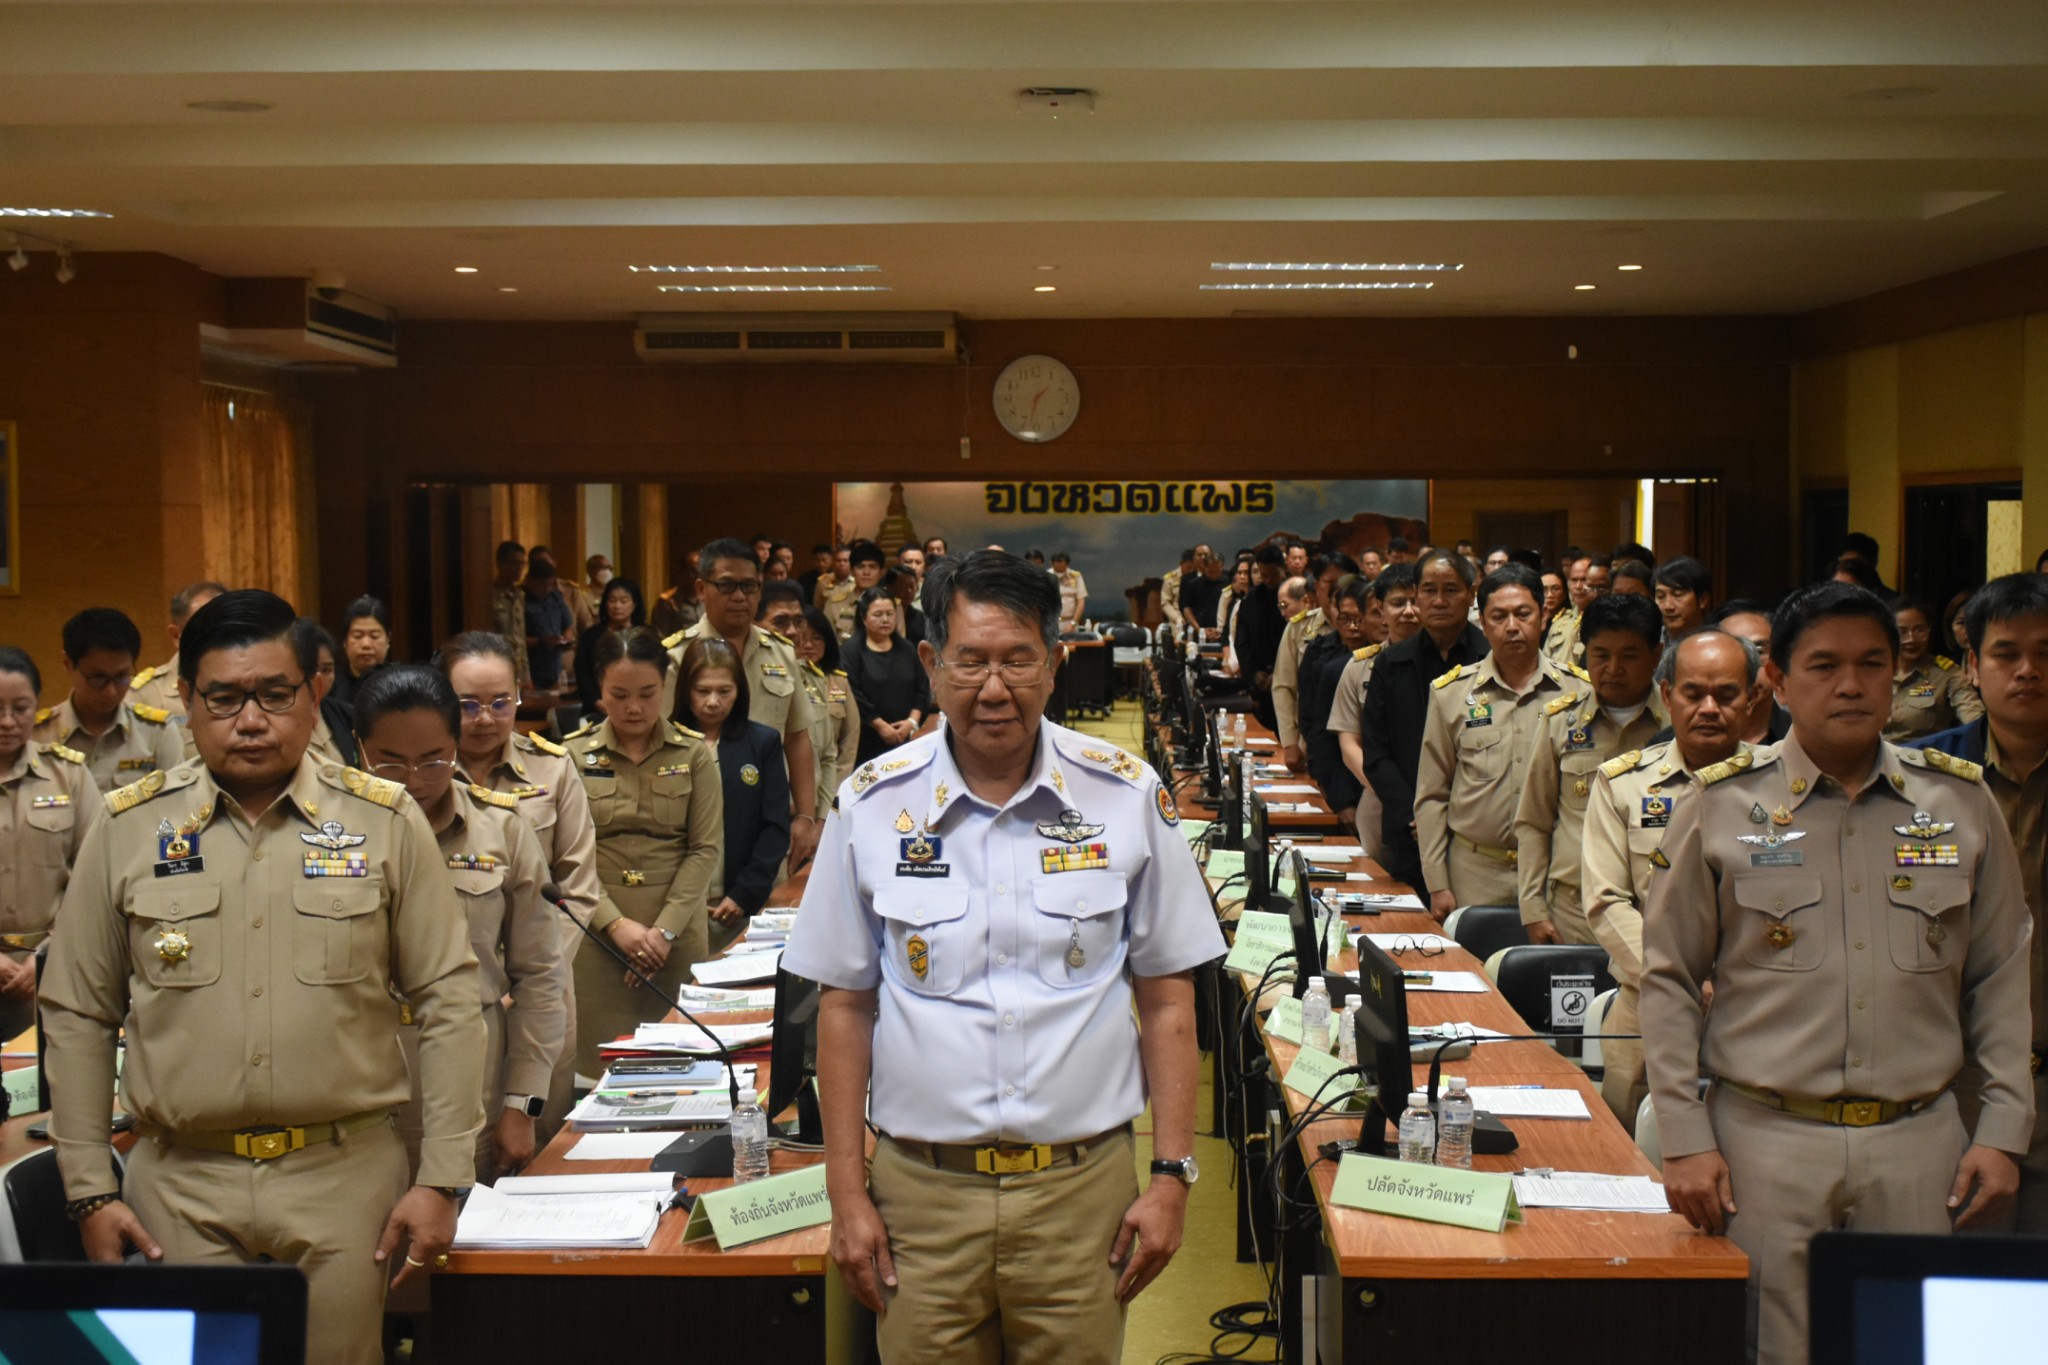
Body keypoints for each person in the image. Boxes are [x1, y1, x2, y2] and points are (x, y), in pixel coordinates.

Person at [784, 550, 1224, 1364]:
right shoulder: (872, 804)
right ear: (931, 663)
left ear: (1054, 663)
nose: (994, 688)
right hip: (921, 1196)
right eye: (971, 661)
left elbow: (1168, 999)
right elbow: (844, 1005)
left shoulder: (1124, 794)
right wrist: (845, 1192)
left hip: (1081, 1194)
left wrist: (1171, 1175)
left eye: (1018, 660)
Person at [41, 589, 485, 1365]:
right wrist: (90, 1189)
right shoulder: (128, 825)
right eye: (224, 698)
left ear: (314, 695)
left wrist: (443, 1178)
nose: (250, 720)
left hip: (343, 1179)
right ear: (186, 702)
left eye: (275, 695)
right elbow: (79, 1011)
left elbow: (449, 1001)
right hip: (180, 1184)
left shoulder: (383, 820)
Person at [1645, 583, 2034, 1365]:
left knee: (1912, 1346)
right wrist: (1684, 1138)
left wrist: (2003, 1130)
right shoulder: (1722, 805)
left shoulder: (1959, 802)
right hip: (1766, 1141)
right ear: (1779, 682)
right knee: (1776, 1348)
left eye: (1871, 664)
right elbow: (1671, 978)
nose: (1851, 684)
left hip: (1921, 1143)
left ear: (1896, 674)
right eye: (1824, 665)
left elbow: (1999, 975)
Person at [356, 665, 563, 1183]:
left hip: (476, 1086)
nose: (413, 781)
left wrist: (522, 1102)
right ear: (360, 750)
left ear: (455, 745)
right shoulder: (328, 838)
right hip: (356, 1092)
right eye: (390, 763)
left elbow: (540, 975)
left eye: (433, 761)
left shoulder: (500, 830)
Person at [1909, 573, 2048, 1229]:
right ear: (1972, 665)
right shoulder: (1917, 779)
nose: (2028, 670)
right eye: (2006, 653)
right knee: (1953, 1271)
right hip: (1947, 1085)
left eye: (2045, 653)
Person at [1582, 628, 1756, 1129]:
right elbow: (1606, 901)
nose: (1709, 709)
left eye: (1726, 695)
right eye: (1693, 694)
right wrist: (1676, 978)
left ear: (1751, 699)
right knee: (1627, 1153)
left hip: (1761, 1011)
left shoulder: (1786, 786)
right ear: (1666, 694)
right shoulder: (1623, 783)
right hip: (1650, 1004)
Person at [442, 630, 599, 1138]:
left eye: (499, 702)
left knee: (539, 1144)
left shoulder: (551, 767)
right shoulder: (422, 777)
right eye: (467, 704)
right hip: (454, 997)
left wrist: (531, 977)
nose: (485, 718)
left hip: (544, 997)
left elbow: (578, 888)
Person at [573, 627, 722, 1074]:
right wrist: (616, 925)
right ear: (600, 688)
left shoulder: (693, 754)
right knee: (602, 1069)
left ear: (666, 686)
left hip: (675, 936)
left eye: (647, 693)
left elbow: (705, 849)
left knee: (683, 1067)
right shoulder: (572, 757)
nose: (634, 707)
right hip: (599, 938)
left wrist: (662, 934)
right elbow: (567, 858)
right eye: (618, 695)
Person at [1415, 564, 1577, 918]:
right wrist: (1437, 882)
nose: (1512, 626)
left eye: (1523, 614)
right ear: (1483, 624)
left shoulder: (1578, 693)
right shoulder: (1451, 694)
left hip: (1556, 873)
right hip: (1475, 873)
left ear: (1543, 617)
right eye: (1499, 617)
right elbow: (1432, 795)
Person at [1513, 593, 1667, 946]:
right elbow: (1534, 821)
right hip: (1574, 912)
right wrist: (1533, 908)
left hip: (1659, 910)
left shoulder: (1676, 724)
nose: (1613, 668)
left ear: (1656, 655)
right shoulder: (1560, 721)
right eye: (1601, 655)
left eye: (1629, 656)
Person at [662, 539, 822, 870]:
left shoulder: (781, 652)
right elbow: (662, 744)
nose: (739, 596)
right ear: (701, 589)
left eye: (749, 586)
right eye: (726, 585)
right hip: (696, 821)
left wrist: (806, 816)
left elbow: (797, 737)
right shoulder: (676, 656)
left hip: (770, 820)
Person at [1358, 551, 1489, 892]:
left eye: (1451, 590)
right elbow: (1376, 751)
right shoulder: (1391, 662)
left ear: (1471, 594)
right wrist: (1416, 816)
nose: (1439, 601)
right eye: (1430, 590)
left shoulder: (1491, 657)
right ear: (1417, 595)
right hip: (1407, 831)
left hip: (1478, 837)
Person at [0, 646, 100, 1043]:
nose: (8, 721)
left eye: (21, 708)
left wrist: (48, 953)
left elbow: (95, 877)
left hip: (53, 969)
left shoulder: (68, 775)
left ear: (37, 705)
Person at [672, 638, 790, 955]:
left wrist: (744, 894)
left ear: (739, 690)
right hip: (675, 910)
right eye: (702, 691)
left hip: (739, 905)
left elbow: (775, 827)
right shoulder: (667, 743)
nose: (713, 702)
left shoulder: (762, 743)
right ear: (685, 691)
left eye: (724, 691)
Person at [33, 607, 185, 793]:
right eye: (98, 678)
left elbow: (176, 805)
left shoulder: (157, 732)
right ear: (68, 665)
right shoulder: (37, 736)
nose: (110, 692)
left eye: (122, 676)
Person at [1333, 563, 1420, 856]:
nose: (1409, 611)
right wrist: (1392, 793)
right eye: (1398, 603)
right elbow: (1349, 744)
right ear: (1381, 608)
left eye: (1415, 601)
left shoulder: (1454, 665)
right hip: (1378, 797)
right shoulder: (1359, 667)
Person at [1299, 577, 1371, 833]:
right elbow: (1319, 734)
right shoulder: (1330, 665)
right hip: (1344, 780)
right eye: (1345, 619)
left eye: (1358, 619)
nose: (1353, 627)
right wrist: (1342, 800)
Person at [128, 581, 228, 755]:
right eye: (204, 630)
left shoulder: (254, 684)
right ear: (176, 636)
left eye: (226, 628)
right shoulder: (145, 694)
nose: (218, 638)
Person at [844, 589, 931, 767]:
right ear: (863, 618)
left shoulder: (907, 648)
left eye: (890, 614)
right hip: (866, 738)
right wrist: (880, 726)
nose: (885, 619)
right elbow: (854, 693)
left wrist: (911, 722)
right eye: (878, 615)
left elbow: (922, 686)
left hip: (906, 736)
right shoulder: (851, 651)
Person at [1887, 595, 1984, 743]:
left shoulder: (1947, 674)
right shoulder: (1874, 671)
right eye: (1902, 632)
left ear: (1929, 630)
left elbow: (1973, 715)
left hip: (1921, 755)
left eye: (1919, 630)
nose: (1911, 639)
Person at [800, 607, 862, 806]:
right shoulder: (787, 680)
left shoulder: (839, 682)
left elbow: (850, 738)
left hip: (832, 784)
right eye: (802, 638)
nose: (808, 645)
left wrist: (836, 788)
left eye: (817, 638)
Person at [293, 618, 359, 770]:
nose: (319, 678)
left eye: (326, 670)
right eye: (310, 670)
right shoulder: (277, 721)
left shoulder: (347, 714)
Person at [1233, 546, 1288, 729]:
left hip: (1289, 680)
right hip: (1260, 679)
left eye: (1273, 575)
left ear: (1283, 568)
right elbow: (1243, 642)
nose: (1268, 580)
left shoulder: (1295, 594)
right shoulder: (1252, 598)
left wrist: (1279, 673)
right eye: (1264, 575)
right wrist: (1254, 673)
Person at [574, 575, 645, 714]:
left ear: (634, 604)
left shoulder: (645, 635)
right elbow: (583, 673)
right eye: (612, 600)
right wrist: (597, 702)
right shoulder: (591, 636)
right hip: (597, 708)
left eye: (623, 601)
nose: (617, 606)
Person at [519, 559, 574, 696]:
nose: (546, 589)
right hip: (531, 667)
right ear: (530, 581)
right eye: (542, 585)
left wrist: (566, 639)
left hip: (554, 666)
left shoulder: (555, 597)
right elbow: (516, 638)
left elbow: (567, 623)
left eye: (550, 584)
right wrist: (542, 641)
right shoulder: (520, 600)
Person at [490, 541, 533, 693]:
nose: (519, 568)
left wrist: (526, 675)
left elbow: (520, 638)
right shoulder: (490, 595)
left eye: (522, 564)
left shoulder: (519, 595)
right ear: (500, 564)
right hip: (498, 666)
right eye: (514, 563)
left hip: (519, 669)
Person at [337, 595, 393, 704]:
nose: (366, 644)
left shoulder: (403, 686)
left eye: (374, 636)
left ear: (388, 639)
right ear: (344, 641)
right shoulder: (331, 690)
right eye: (357, 636)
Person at [1653, 556, 1713, 639]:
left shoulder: (1718, 642)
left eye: (1678, 594)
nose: (1668, 606)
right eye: (1660, 596)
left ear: (1702, 600)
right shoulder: (1649, 641)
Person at [1178, 544, 1222, 633]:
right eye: (1199, 555)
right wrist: (1199, 629)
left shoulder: (1227, 579)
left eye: (1206, 554)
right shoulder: (1189, 581)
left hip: (1220, 627)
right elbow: (1185, 606)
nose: (1203, 557)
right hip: (1197, 626)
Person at [885, 564, 928, 643]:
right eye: (903, 586)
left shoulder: (922, 619)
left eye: (912, 586)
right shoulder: (882, 616)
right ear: (890, 587)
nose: (909, 591)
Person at [1160, 548, 1194, 635]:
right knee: (1179, 635)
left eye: (1193, 568)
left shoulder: (1198, 577)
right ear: (1181, 564)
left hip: (1195, 616)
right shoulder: (1171, 578)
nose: (1191, 571)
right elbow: (1165, 603)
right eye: (1188, 567)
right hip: (1177, 616)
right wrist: (1177, 618)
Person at [1052, 552, 1088, 631]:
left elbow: (1081, 601)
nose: (1059, 574)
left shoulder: (1076, 576)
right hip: (1050, 622)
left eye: (1062, 570)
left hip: (1070, 622)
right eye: (1057, 570)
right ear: (1052, 564)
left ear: (1067, 565)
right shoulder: (1045, 576)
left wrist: (1073, 623)